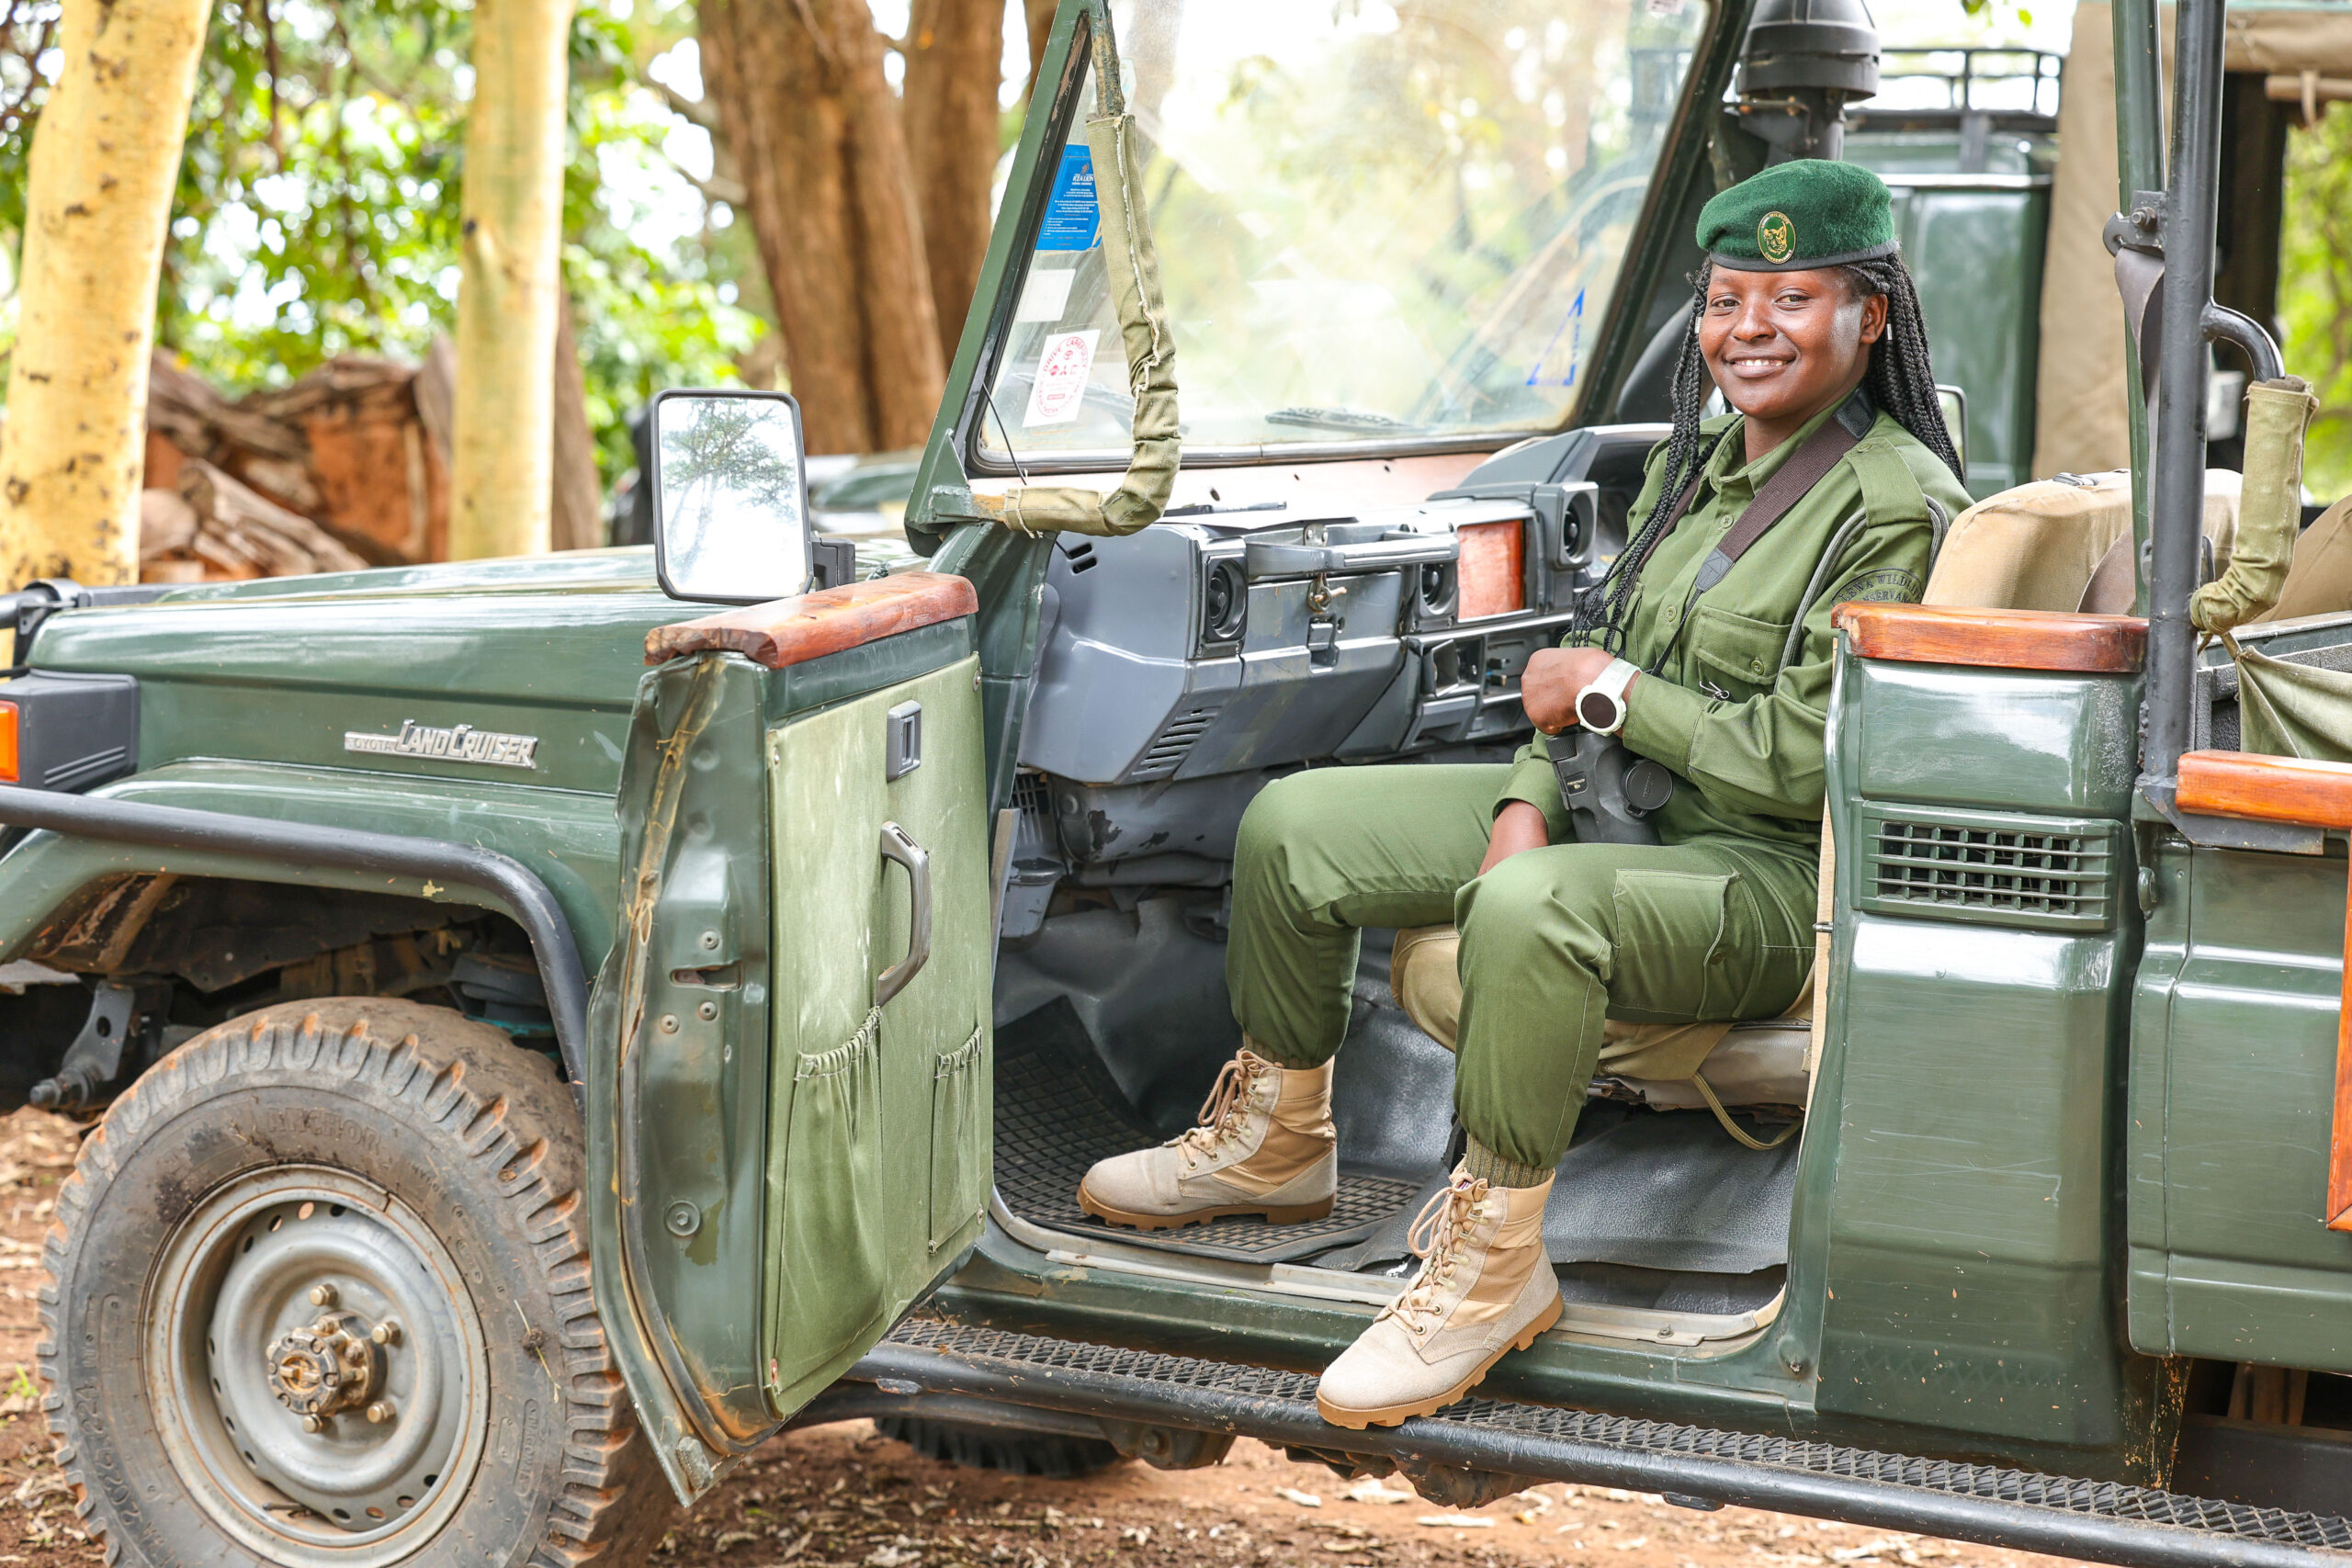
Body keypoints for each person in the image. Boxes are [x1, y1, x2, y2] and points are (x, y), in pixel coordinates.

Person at [1075, 160, 1973, 1427]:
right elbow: (1582, 667)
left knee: (1529, 911)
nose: (1750, 329)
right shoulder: (1698, 464)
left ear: (1870, 316)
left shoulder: (1894, 507)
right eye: (1727, 300)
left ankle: (1493, 1264)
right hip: (1628, 810)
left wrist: (1613, 697)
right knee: (1295, 827)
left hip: (1771, 877)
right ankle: (1280, 1139)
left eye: (1793, 298)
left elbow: (1797, 758)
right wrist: (1523, 803)